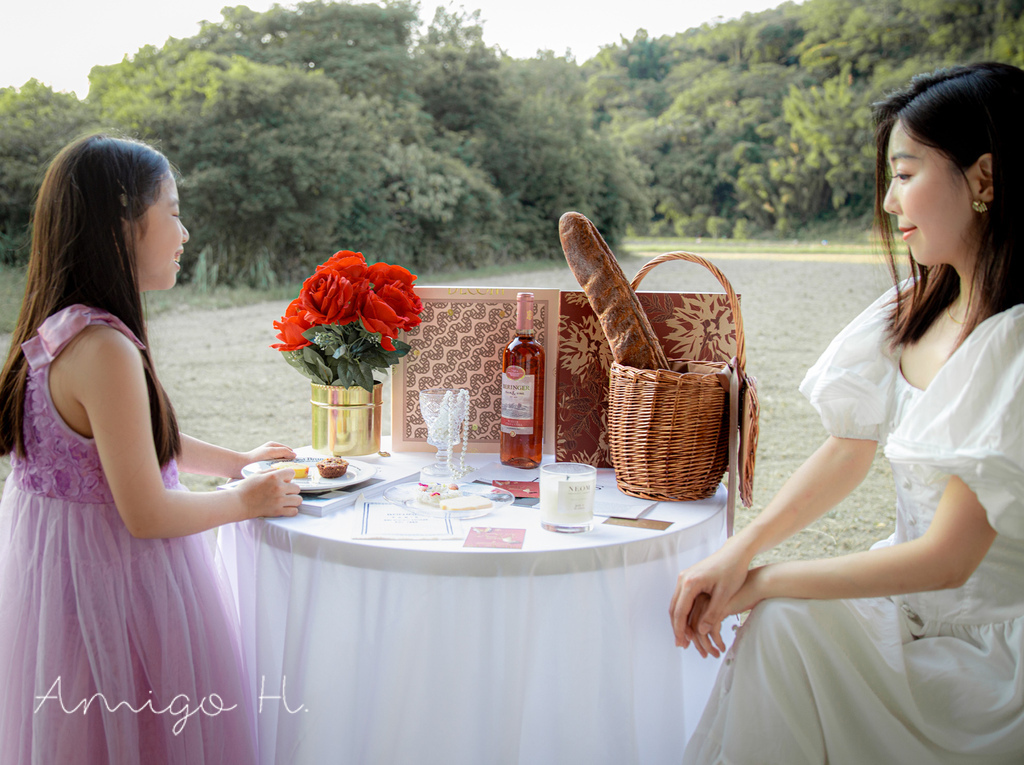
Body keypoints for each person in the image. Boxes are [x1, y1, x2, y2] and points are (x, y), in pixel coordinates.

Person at [670, 62, 1024, 763]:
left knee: (779, 616)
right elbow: (846, 447)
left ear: (984, 179)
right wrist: (742, 549)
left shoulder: (1013, 343)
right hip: (909, 611)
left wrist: (764, 580)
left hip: (991, 647)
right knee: (781, 627)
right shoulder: (916, 310)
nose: (891, 203)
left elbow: (949, 559)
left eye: (905, 172)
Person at [0, 134, 302, 763]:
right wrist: (248, 498)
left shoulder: (59, 329)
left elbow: (129, 443)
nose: (184, 232)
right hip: (117, 589)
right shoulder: (105, 348)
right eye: (172, 210)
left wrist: (234, 461)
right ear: (121, 225)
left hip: (65, 586)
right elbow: (148, 513)